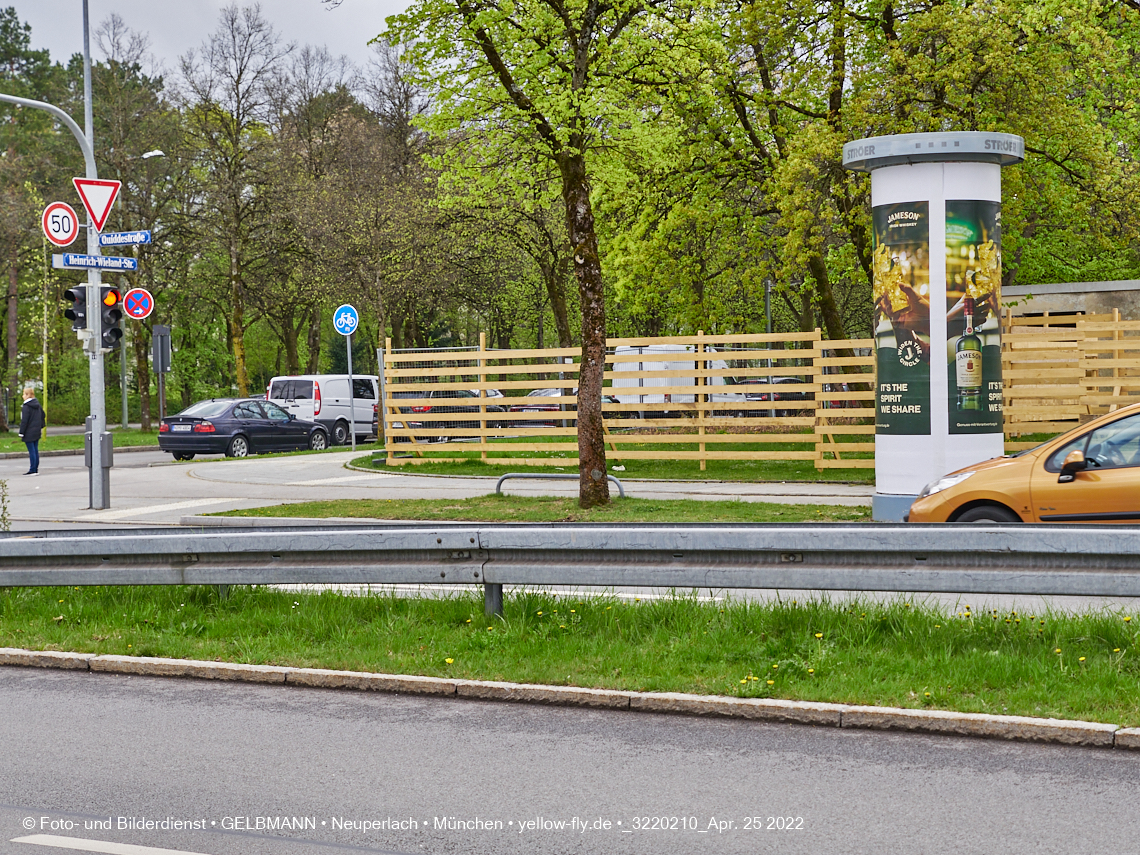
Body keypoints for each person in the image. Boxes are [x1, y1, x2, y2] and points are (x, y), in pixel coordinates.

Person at [18, 386, 44, 475]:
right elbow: (43, 415)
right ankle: (35, 468)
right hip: (36, 430)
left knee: (31, 451)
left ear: (28, 395)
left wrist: (21, 432)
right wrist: (40, 426)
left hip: (29, 431)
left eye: (24, 394)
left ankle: (32, 469)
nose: (22, 396)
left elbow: (24, 421)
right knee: (35, 450)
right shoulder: (37, 405)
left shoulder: (26, 406)